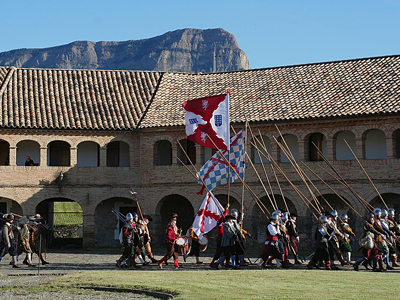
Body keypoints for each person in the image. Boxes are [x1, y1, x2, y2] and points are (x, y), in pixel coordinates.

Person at [209, 203, 229, 268]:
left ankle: (226, 263)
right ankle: (212, 263)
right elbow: (223, 218)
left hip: (225, 238)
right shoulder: (219, 221)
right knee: (219, 251)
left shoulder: (224, 222)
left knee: (227, 251)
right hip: (221, 238)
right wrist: (226, 209)